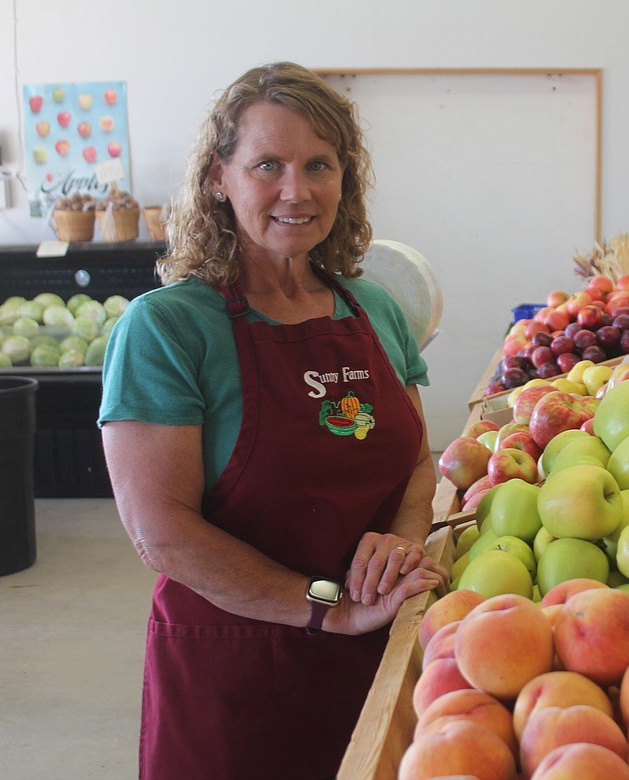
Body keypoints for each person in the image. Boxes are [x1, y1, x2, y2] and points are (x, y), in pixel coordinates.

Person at [98, 61, 448, 779]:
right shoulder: (167, 329)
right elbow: (162, 533)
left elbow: (416, 462)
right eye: (268, 164)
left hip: (379, 657)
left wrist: (398, 548)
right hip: (239, 679)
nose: (298, 189)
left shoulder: (374, 309)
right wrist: (331, 605)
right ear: (218, 180)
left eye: (319, 164)